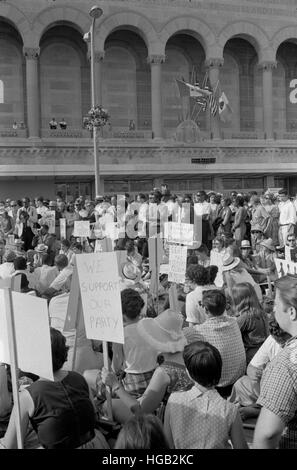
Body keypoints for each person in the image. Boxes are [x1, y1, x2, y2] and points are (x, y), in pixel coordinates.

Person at [0, 328, 109, 449]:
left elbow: (10, 445)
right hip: (96, 443)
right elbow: (92, 416)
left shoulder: (27, 397)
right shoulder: (79, 378)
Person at [100, 309, 193, 424]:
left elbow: (140, 411)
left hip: (166, 421)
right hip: (184, 416)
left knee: (107, 405)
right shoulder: (188, 356)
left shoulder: (164, 371)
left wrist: (115, 385)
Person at [164, 341, 248, 449]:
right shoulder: (229, 410)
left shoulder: (173, 400)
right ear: (219, 371)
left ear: (189, 373)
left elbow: (167, 444)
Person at [253, 275, 297, 448]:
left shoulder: (286, 363)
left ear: (292, 312)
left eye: (276, 304)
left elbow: (267, 434)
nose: (273, 310)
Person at [183, 290, 246, 398]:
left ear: (205, 309)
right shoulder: (234, 322)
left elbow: (177, 336)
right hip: (238, 381)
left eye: (201, 304)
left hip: (217, 385)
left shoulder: (196, 331)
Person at [229, 319, 291, 421]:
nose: (282, 345)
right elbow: (252, 368)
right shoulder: (273, 338)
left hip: (285, 395)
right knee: (240, 383)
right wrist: (258, 378)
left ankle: (260, 410)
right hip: (268, 391)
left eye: (284, 341)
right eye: (279, 342)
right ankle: (259, 408)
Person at [232, 282, 269, 364]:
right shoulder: (261, 312)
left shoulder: (245, 317)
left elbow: (232, 333)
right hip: (264, 350)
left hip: (251, 355)